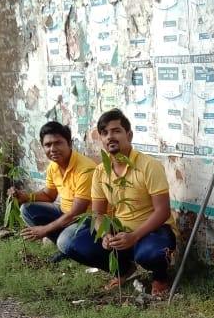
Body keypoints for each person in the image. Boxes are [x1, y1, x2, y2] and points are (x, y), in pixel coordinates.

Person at [64, 109, 177, 295]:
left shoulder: (149, 166)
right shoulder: (101, 171)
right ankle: (124, 270)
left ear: (129, 135)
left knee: (150, 254)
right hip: (120, 231)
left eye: (116, 131)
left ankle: (160, 277)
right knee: (69, 241)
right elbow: (98, 213)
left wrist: (134, 236)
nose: (110, 137)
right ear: (101, 139)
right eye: (104, 133)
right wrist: (105, 234)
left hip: (153, 231)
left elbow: (162, 211)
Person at [7, 120, 96, 255]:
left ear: (69, 143)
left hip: (87, 219)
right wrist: (25, 196)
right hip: (65, 212)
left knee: (65, 240)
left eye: (58, 143)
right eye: (48, 145)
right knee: (27, 209)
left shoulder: (85, 169)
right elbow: (49, 195)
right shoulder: (53, 166)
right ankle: (64, 249)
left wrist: (45, 230)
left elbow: (77, 213)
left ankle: (68, 246)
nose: (53, 149)